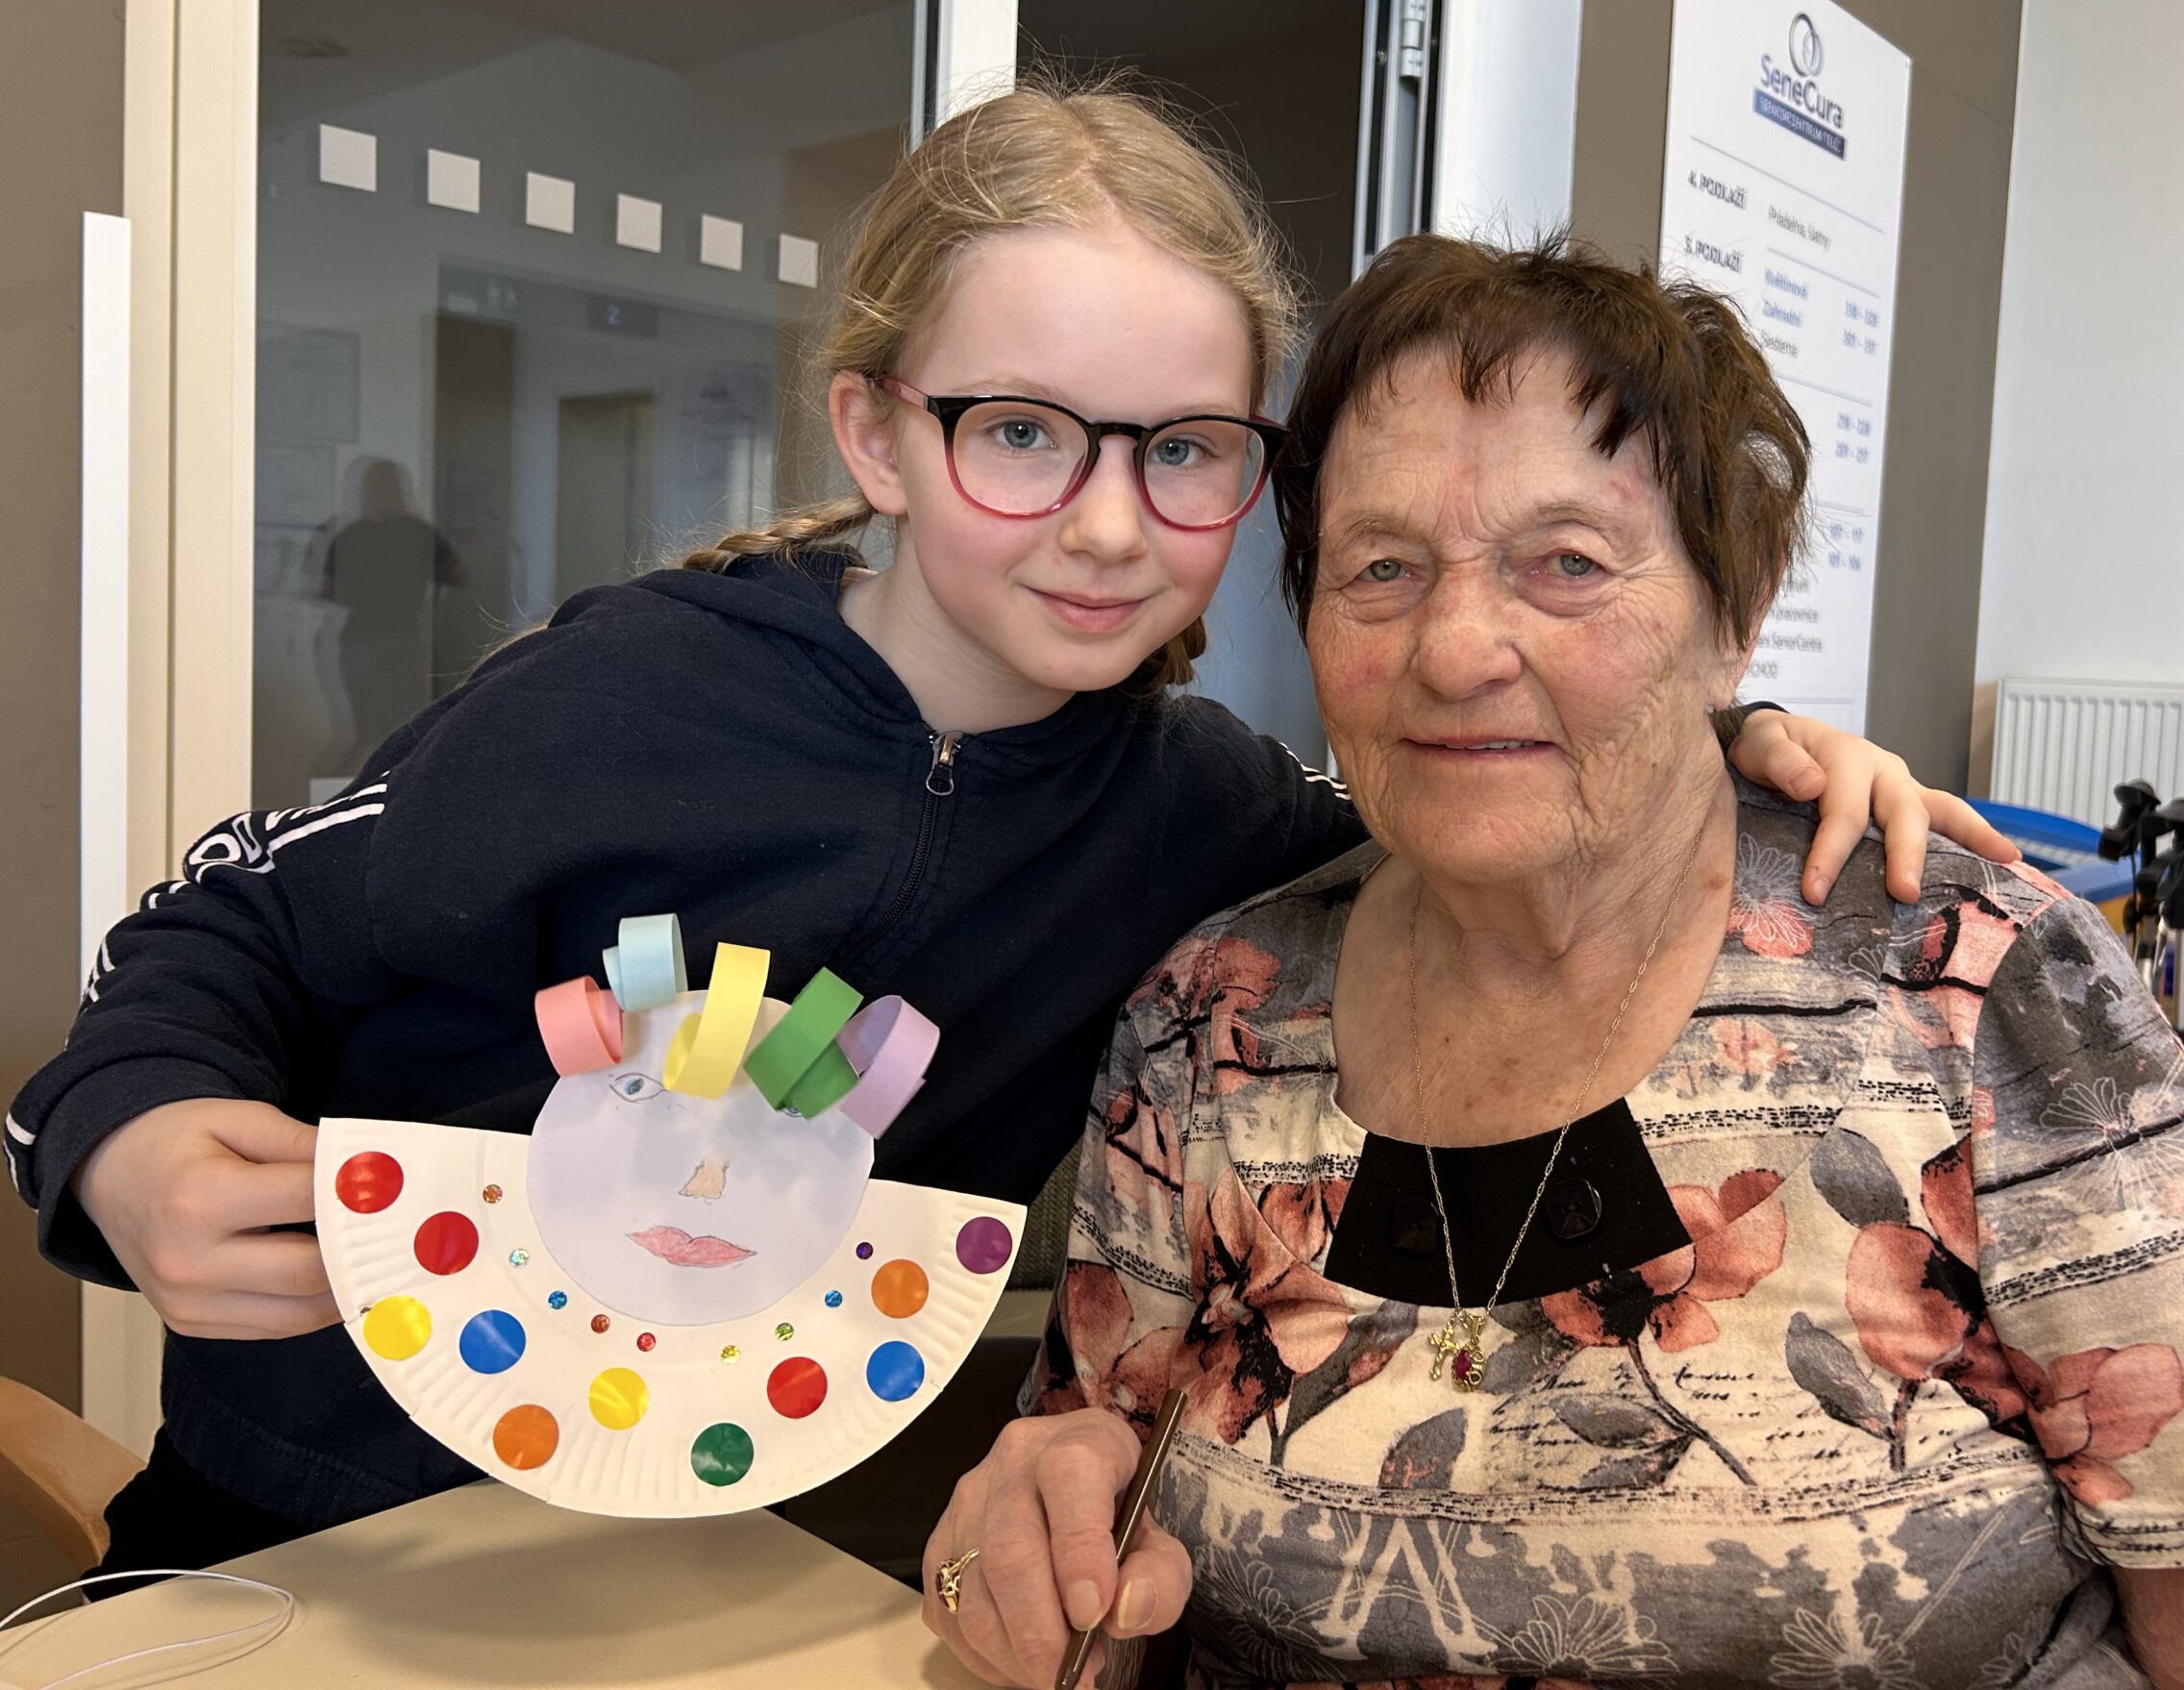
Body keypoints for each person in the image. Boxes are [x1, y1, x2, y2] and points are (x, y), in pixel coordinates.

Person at [9, 87, 2006, 1587]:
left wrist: (1723, 744)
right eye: (1022, 433)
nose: (1112, 525)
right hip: (307, 1534)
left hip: (735, 1575)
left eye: (1187, 451)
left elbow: (1469, 813)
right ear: (876, 434)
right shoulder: (609, 696)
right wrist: (130, 1137)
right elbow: (223, 925)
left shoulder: (1208, 816)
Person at [926, 234, 2184, 1689]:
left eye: (1567, 563)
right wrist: (1025, 1558)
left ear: (1736, 609)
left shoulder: (1979, 990)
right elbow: (1093, 1559)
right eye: (1381, 568)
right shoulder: (1208, 1023)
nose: (1454, 651)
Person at [317, 457, 465, 767]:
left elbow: (327, 591)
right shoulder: (415, 533)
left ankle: (364, 783)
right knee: (393, 728)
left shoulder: (354, 534)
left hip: (369, 640)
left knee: (374, 728)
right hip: (390, 639)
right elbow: (457, 575)